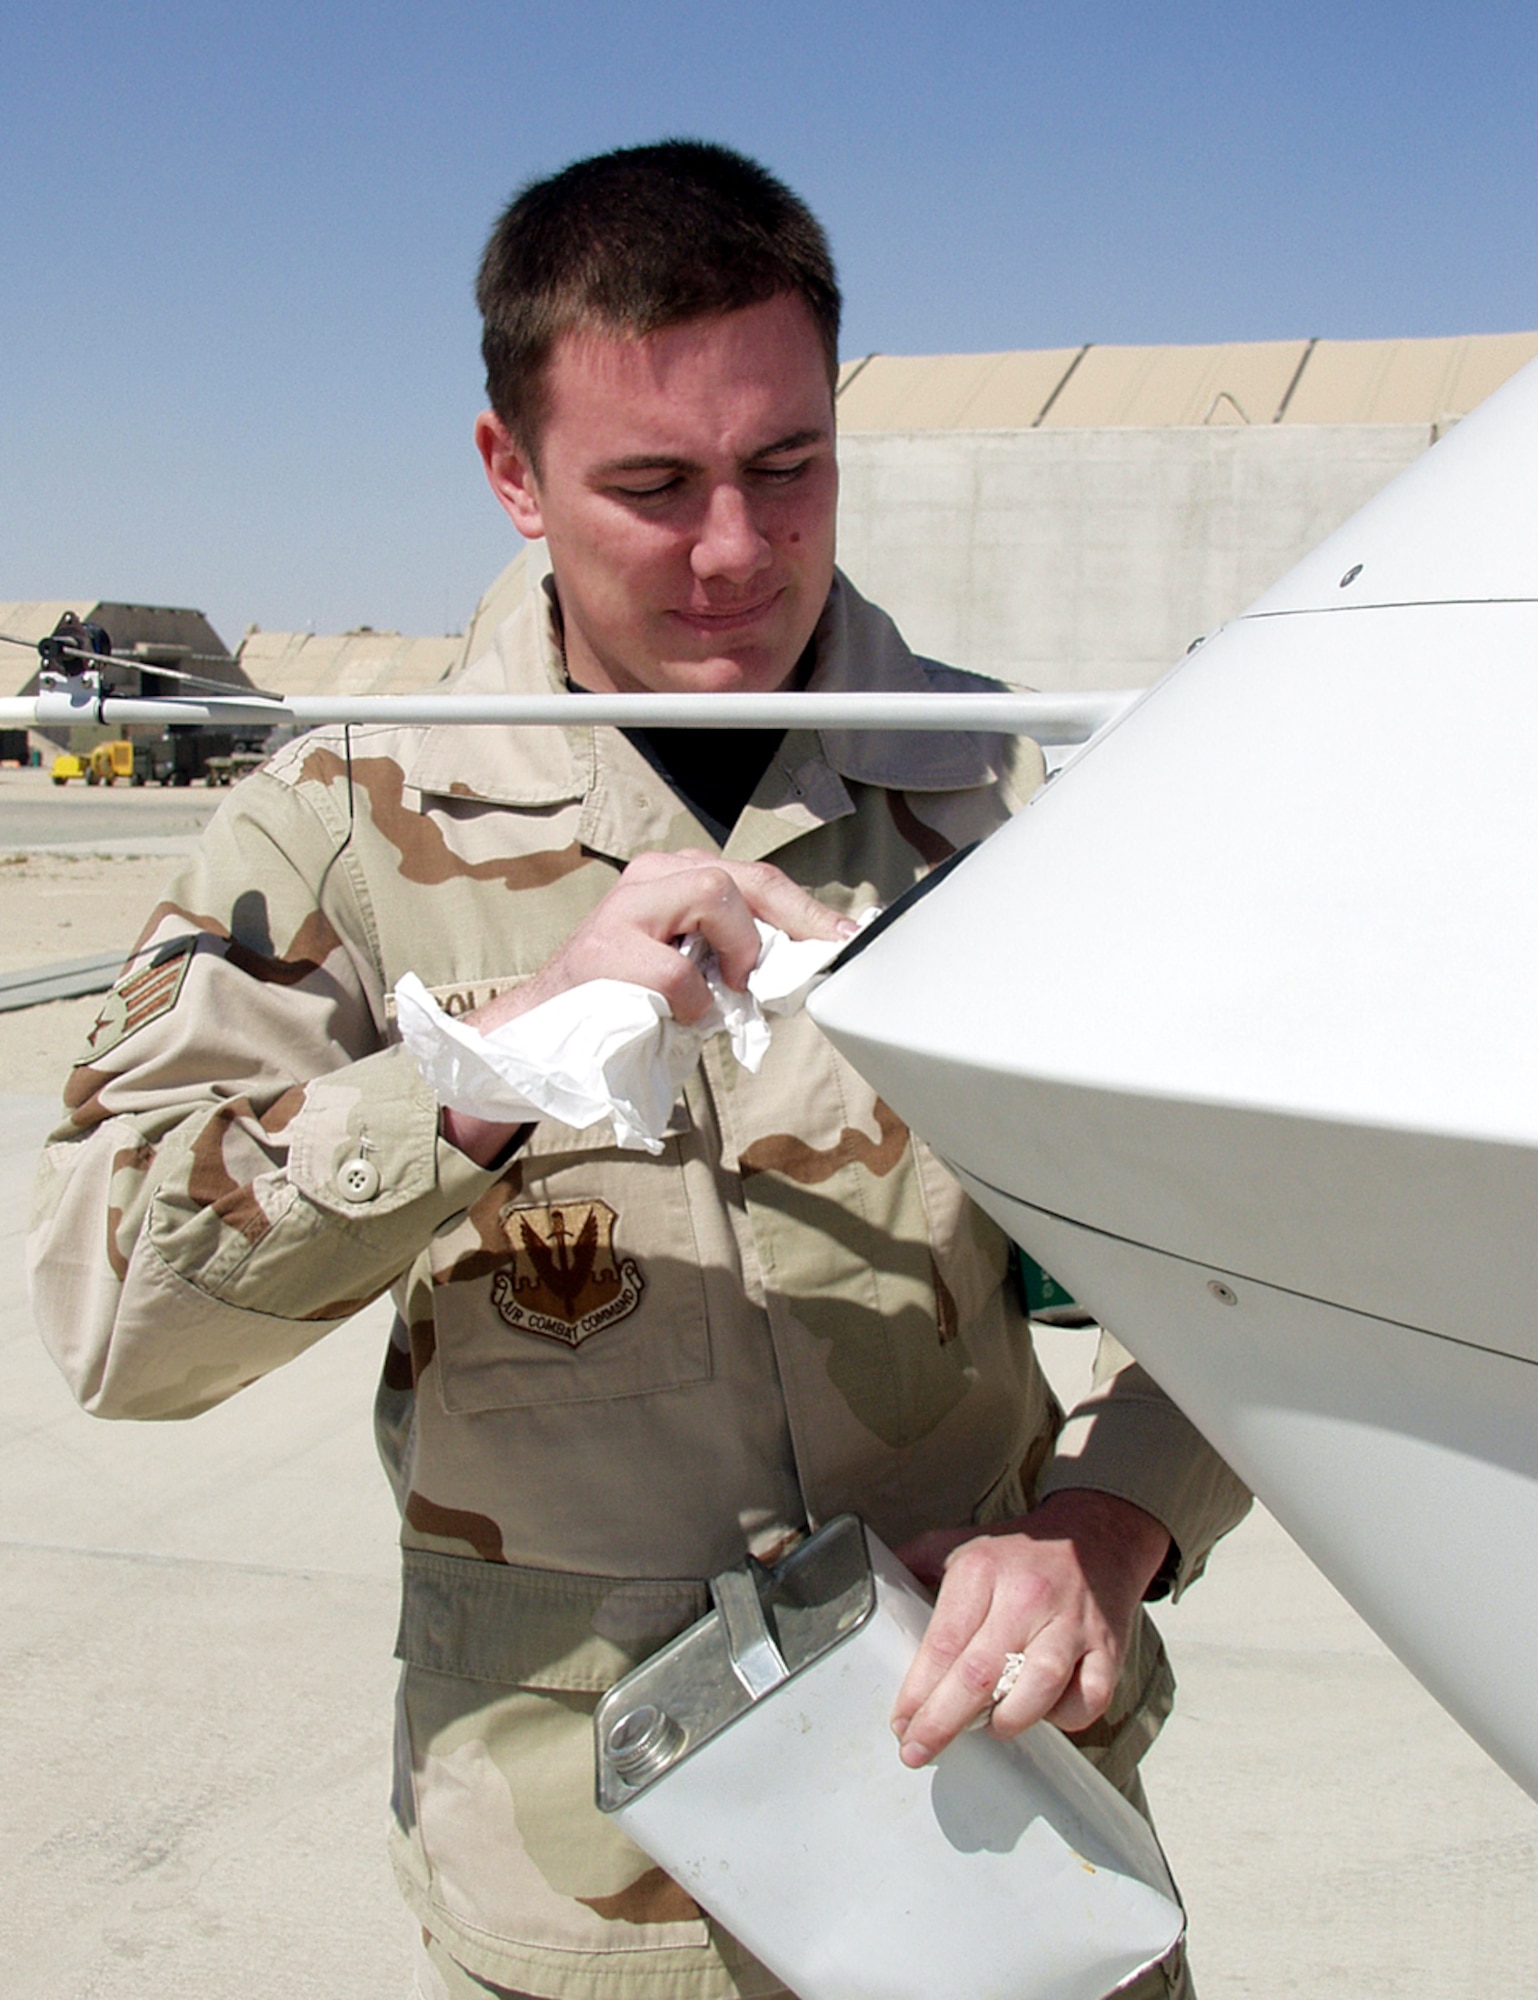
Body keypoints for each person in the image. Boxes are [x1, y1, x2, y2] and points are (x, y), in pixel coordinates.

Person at [29, 140, 1248, 2000]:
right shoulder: (344, 823)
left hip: (997, 1827)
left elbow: (1279, 1265)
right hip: (588, 1886)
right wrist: (477, 1072)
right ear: (510, 473)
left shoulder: (1014, 805)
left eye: (788, 466)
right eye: (653, 486)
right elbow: (117, 1321)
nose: (736, 552)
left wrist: (1111, 1521)